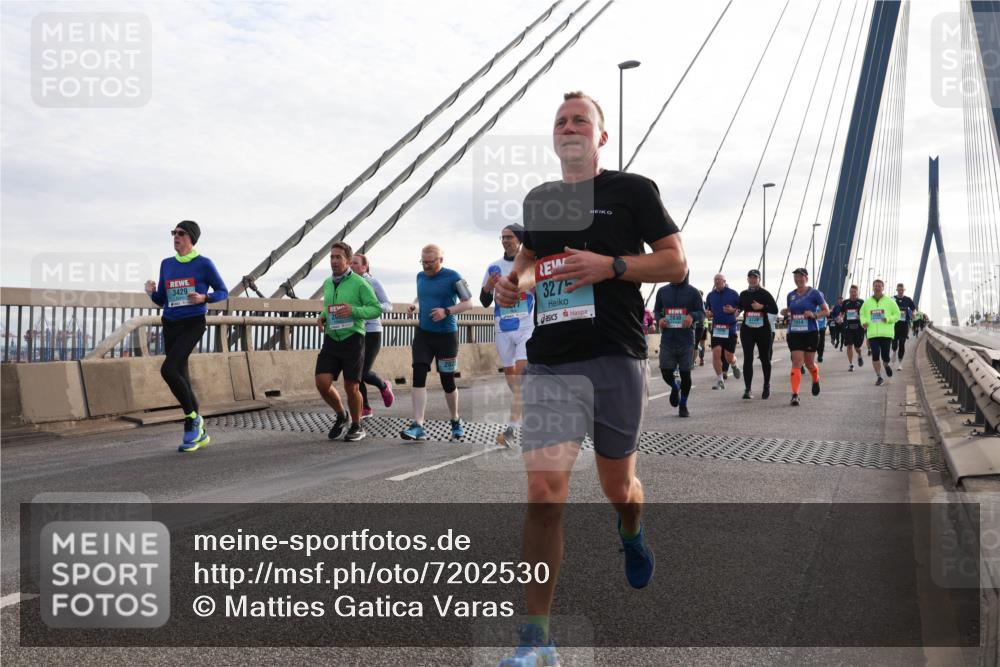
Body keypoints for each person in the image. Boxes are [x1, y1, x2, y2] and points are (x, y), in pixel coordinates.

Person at [493, 91, 686, 666]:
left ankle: (631, 528)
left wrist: (613, 266)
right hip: (551, 360)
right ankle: (537, 642)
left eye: (581, 119)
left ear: (600, 136)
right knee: (543, 495)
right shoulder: (542, 199)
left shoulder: (633, 191)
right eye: (561, 121)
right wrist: (516, 281)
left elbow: (675, 263)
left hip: (614, 357)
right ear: (555, 139)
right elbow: (529, 259)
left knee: (617, 490)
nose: (570, 126)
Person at [145, 220, 228, 453]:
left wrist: (205, 298)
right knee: (181, 375)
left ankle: (193, 418)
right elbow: (163, 299)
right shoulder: (167, 264)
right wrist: (152, 293)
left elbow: (223, 291)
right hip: (170, 323)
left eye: (180, 233)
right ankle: (197, 432)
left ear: (191, 238)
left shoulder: (203, 264)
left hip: (193, 323)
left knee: (168, 370)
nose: (176, 237)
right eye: (174, 233)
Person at [400, 244, 474, 441]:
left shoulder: (453, 277)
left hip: (446, 335)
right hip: (424, 334)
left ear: (441, 260)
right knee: (418, 373)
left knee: (447, 381)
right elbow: (421, 294)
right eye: (423, 262)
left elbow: (468, 303)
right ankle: (418, 425)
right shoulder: (420, 276)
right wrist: (414, 304)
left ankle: (455, 420)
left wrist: (446, 311)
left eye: (430, 262)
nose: (426, 266)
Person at [315, 242, 382, 442]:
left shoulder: (360, 283)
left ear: (347, 261)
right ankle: (341, 415)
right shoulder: (328, 283)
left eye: (338, 257)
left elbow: (375, 309)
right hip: (331, 338)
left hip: (353, 339)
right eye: (332, 257)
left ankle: (357, 425)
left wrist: (353, 310)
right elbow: (328, 307)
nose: (334, 261)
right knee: (322, 383)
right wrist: (322, 316)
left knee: (352, 387)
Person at [481, 223, 535, 446]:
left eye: (509, 237)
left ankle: (511, 430)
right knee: (512, 380)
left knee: (521, 380)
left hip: (526, 327)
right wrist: (488, 288)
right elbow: (485, 301)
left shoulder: (531, 265)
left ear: (519, 240)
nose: (505, 241)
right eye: (502, 237)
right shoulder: (494, 267)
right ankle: (527, 406)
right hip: (503, 327)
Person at [349, 253, 395, 419]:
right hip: (354, 331)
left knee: (363, 372)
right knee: (355, 373)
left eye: (355, 263)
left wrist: (371, 308)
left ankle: (384, 386)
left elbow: (388, 305)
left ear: (364, 267)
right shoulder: (349, 284)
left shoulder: (373, 282)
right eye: (350, 263)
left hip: (372, 331)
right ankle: (365, 408)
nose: (351, 265)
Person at [653, 273, 704, 417]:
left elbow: (702, 313)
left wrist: (691, 316)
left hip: (686, 339)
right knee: (665, 371)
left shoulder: (693, 292)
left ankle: (683, 404)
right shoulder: (662, 291)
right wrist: (660, 319)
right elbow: (657, 311)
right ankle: (675, 386)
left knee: (685, 373)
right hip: (668, 338)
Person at [780, 268, 829, 407]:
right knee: (797, 361)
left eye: (801, 277)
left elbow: (826, 311)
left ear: (806, 278)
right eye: (796, 277)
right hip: (794, 332)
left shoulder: (815, 293)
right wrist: (785, 311)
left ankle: (815, 378)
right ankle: (795, 395)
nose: (798, 280)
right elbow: (791, 311)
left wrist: (814, 315)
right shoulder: (791, 295)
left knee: (809, 363)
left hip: (811, 332)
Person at [738, 269, 778, 399]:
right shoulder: (743, 294)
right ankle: (748, 389)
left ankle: (766, 384)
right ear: (747, 279)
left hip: (763, 330)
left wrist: (762, 307)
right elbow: (739, 307)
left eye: (755, 278)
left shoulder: (765, 294)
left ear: (759, 279)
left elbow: (775, 309)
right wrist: (735, 311)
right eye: (751, 278)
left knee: (765, 358)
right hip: (748, 329)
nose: (753, 280)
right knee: (748, 358)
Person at [860, 279, 901, 386]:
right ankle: (879, 377)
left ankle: (886, 365)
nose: (877, 287)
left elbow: (897, 315)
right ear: (873, 288)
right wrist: (863, 322)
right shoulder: (867, 302)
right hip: (872, 333)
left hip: (886, 334)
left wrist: (887, 319)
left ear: (883, 288)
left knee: (885, 356)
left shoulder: (890, 301)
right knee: (875, 355)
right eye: (875, 286)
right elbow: (862, 314)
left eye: (879, 286)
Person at [704, 273, 741, 390]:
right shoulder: (710, 295)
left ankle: (734, 364)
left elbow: (741, 307)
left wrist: (734, 310)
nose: (717, 282)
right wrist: (708, 313)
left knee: (728, 357)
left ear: (725, 281)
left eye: (719, 280)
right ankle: (720, 380)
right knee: (716, 353)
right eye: (715, 280)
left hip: (730, 329)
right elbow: (708, 309)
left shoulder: (733, 293)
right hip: (717, 329)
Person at [840, 285, 866, 371]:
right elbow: (842, 313)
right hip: (848, 327)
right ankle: (851, 364)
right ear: (849, 293)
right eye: (851, 292)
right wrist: (840, 318)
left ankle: (859, 355)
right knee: (849, 345)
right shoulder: (845, 302)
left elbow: (866, 314)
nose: (853, 293)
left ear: (857, 292)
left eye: (854, 292)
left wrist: (861, 317)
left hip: (859, 328)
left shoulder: (862, 302)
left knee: (857, 347)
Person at [891, 283, 916, 371]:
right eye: (899, 290)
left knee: (902, 343)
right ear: (897, 290)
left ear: (904, 290)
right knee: (894, 343)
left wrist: (913, 313)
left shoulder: (908, 299)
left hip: (904, 324)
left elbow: (913, 309)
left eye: (902, 290)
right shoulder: (892, 299)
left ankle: (900, 363)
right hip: (894, 324)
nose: (900, 291)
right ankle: (894, 352)